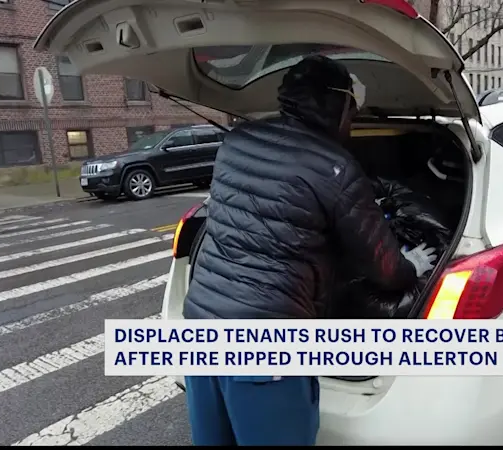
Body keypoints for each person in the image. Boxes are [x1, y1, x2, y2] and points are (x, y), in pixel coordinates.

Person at [180, 55, 437, 446]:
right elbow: (384, 267)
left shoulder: (236, 142)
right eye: (352, 109)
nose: (352, 120)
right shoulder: (335, 167)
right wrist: (412, 266)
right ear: (336, 104)